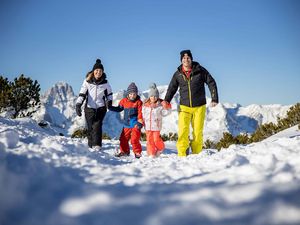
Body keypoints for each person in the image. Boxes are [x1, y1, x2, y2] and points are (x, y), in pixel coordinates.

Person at [163, 50, 219, 156]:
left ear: (191, 59)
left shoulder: (200, 70)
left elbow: (211, 82)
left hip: (199, 106)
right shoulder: (178, 74)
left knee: (197, 132)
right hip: (184, 107)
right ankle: (182, 154)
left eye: (188, 57)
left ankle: (196, 154)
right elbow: (172, 88)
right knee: (183, 131)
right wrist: (166, 100)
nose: (186, 59)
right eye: (183, 58)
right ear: (181, 60)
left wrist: (214, 97)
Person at [75, 59, 113, 151]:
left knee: (97, 125)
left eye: (100, 71)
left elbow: (109, 94)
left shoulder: (105, 83)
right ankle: (90, 145)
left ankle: (97, 145)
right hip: (89, 108)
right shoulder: (87, 81)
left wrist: (109, 102)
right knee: (90, 127)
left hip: (101, 108)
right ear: (93, 71)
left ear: (102, 72)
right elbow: (82, 94)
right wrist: (78, 104)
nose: (98, 72)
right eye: (97, 70)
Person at [108, 82, 143, 158]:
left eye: (134, 94)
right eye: (131, 94)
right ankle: (124, 152)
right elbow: (119, 109)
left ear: (136, 94)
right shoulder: (124, 101)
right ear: (128, 94)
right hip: (126, 124)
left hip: (135, 124)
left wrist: (140, 122)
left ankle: (137, 152)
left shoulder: (139, 102)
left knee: (134, 139)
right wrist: (111, 107)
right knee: (123, 139)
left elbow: (141, 113)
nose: (132, 96)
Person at [142, 83, 171, 157]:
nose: (153, 97)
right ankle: (151, 153)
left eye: (155, 96)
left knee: (156, 140)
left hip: (156, 126)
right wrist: (141, 121)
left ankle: (161, 148)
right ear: (149, 97)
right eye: (151, 96)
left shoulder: (159, 105)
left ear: (157, 97)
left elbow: (165, 113)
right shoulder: (145, 105)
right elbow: (142, 114)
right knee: (149, 141)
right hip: (148, 127)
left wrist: (167, 107)